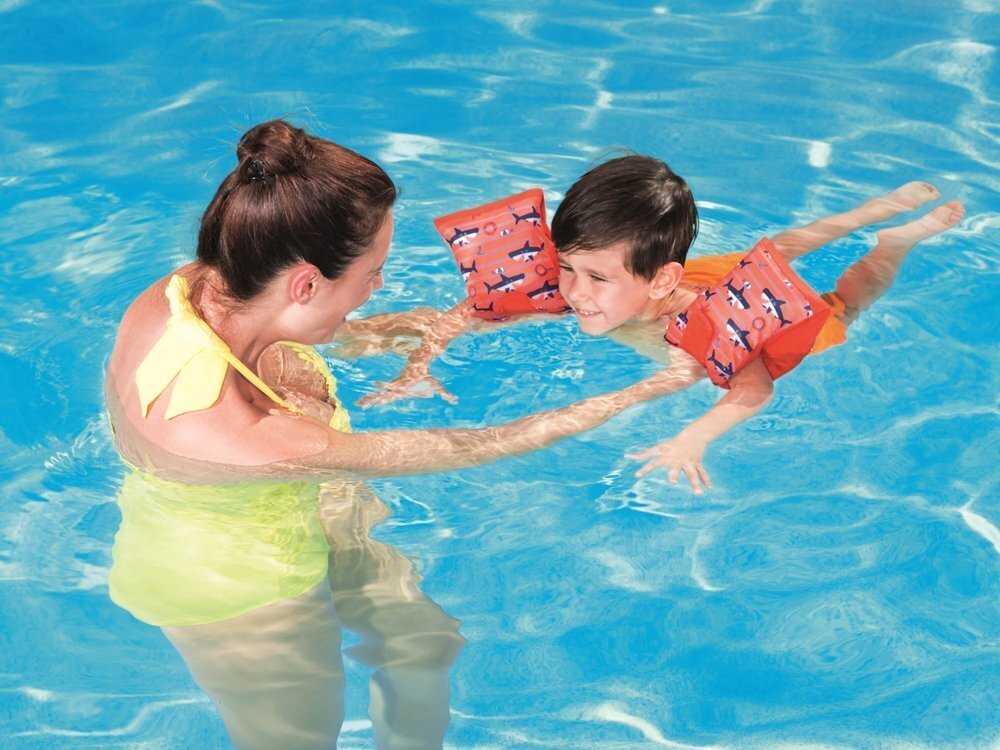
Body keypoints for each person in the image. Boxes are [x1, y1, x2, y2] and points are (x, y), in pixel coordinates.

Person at [105, 122, 689, 750]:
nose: (377, 286)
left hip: (303, 503)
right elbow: (471, 445)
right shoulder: (248, 433)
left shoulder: (197, 287)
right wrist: (642, 390)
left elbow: (285, 324)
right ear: (306, 284)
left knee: (425, 644)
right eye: (372, 274)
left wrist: (399, 330)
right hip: (236, 589)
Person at [361, 155, 965, 494]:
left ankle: (893, 240)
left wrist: (692, 438)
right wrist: (420, 364)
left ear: (660, 281)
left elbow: (754, 386)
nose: (572, 292)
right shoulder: (595, 283)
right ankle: (873, 208)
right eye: (567, 267)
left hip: (740, 307)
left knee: (846, 302)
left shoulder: (693, 341)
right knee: (779, 246)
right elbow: (471, 313)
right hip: (696, 274)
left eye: (596, 279)